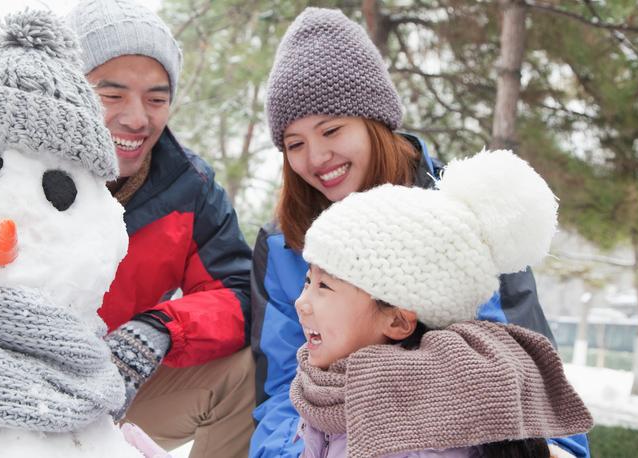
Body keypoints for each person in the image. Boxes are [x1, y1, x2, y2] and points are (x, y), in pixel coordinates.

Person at [250, 7, 591, 457]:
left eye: (331, 130)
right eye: (294, 144)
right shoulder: (283, 243)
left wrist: (554, 449)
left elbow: (520, 365)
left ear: (374, 123)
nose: (315, 158)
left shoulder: (460, 219)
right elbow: (280, 390)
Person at [291, 149, 593, 457]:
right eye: (308, 281)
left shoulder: (429, 440)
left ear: (397, 321)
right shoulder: (326, 390)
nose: (301, 302)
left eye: (324, 286)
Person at [65, 1, 254, 456]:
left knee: (247, 370)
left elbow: (239, 292)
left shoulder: (190, 187)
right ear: (69, 89)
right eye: (112, 96)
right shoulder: (13, 166)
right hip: (4, 389)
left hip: (119, 390)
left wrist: (162, 328)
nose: (137, 119)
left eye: (156, 98)